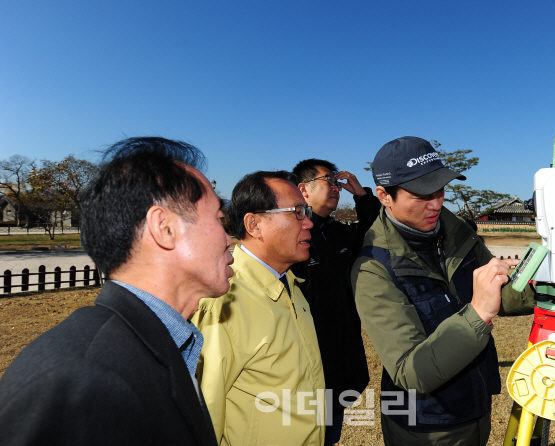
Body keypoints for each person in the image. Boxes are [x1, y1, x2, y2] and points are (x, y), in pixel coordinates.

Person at [0, 137, 234, 446]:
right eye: (219, 218)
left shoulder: (153, 346)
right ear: (164, 227)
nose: (229, 238)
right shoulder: (83, 381)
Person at [351, 136, 536, 446]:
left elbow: (497, 295)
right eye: (421, 194)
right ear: (384, 195)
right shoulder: (373, 268)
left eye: (439, 189)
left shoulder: (455, 229)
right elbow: (410, 371)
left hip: (474, 404)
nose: (436, 203)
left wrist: (538, 283)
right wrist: (477, 314)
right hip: (426, 425)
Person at [193, 171, 326, 446]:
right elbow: (205, 412)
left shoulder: (292, 284)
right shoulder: (224, 301)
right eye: (297, 212)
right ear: (254, 224)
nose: (309, 223)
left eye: (307, 211)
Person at [291, 159, 380, 446]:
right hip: (306, 368)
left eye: (335, 180)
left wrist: (362, 196)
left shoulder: (335, 231)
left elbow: (374, 233)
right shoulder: (293, 237)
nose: (335, 187)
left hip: (341, 362)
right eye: (327, 180)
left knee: (330, 435)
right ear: (304, 189)